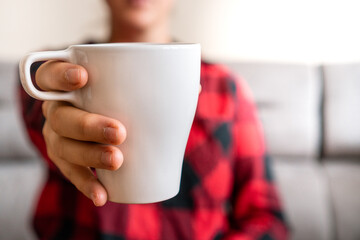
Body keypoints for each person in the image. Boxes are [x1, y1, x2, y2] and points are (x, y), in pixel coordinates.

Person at [19, 0, 289, 239]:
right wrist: (53, 120)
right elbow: (37, 112)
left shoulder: (227, 90)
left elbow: (266, 217)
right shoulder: (59, 77)